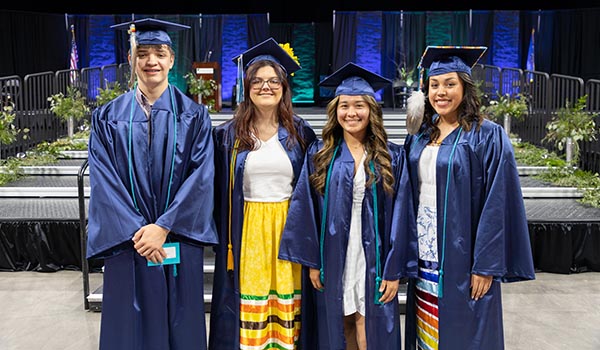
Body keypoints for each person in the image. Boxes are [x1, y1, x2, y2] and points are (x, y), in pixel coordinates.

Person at [86, 18, 218, 350]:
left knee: (180, 323)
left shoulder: (195, 115)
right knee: (128, 327)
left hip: (177, 237)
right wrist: (138, 230)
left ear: (172, 60)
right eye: (142, 54)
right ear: (131, 61)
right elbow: (104, 180)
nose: (151, 61)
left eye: (159, 53)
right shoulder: (106, 116)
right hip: (128, 240)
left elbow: (201, 177)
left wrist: (163, 226)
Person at [403, 46, 536, 350]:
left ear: (465, 86)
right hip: (424, 250)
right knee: (428, 331)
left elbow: (497, 201)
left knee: (466, 332)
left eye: (450, 84)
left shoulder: (487, 135)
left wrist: (485, 264)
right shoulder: (420, 135)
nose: (441, 92)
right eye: (434, 85)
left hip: (463, 256)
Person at [279, 62, 417, 349]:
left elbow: (402, 215)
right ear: (335, 110)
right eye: (344, 105)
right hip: (333, 252)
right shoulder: (320, 154)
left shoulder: (391, 157)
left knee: (369, 324)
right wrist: (313, 263)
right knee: (339, 323)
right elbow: (306, 209)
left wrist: (393, 270)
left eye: (359, 106)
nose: (351, 113)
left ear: (371, 111)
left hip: (374, 256)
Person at [209, 37, 317, 350]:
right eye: (257, 81)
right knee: (250, 307)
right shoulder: (228, 136)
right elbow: (216, 190)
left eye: (273, 81)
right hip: (247, 231)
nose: (265, 87)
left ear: (284, 87)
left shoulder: (301, 132)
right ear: (247, 87)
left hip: (289, 229)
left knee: (287, 305)